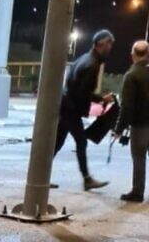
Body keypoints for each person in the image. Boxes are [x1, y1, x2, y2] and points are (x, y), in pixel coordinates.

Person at [53, 30, 115, 191]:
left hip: (66, 106)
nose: (110, 48)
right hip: (71, 109)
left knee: (57, 143)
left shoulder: (85, 59)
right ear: (100, 44)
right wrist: (102, 99)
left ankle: (41, 175)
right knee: (81, 141)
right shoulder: (91, 64)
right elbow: (82, 92)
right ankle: (87, 179)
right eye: (108, 44)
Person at [113, 40, 149, 202]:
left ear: (132, 55)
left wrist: (119, 128)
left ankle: (137, 192)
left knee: (139, 157)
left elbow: (127, 106)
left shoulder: (132, 75)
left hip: (140, 125)